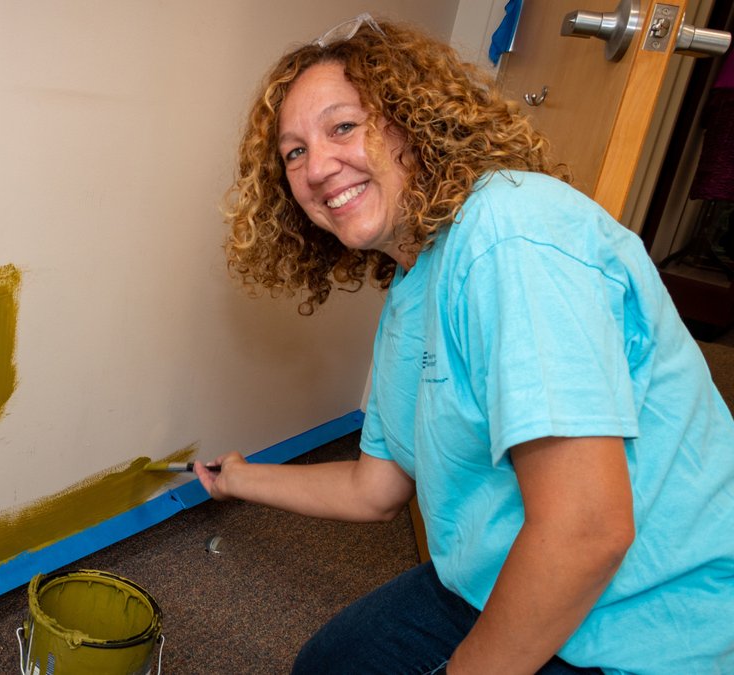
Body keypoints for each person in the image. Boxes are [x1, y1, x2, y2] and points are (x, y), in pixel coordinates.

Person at [195, 14, 734, 675]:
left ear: (410, 123)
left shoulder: (512, 231)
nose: (317, 166)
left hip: (648, 627)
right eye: (294, 151)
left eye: (342, 126)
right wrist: (240, 478)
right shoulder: (413, 283)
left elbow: (586, 532)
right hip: (501, 570)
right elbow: (375, 488)